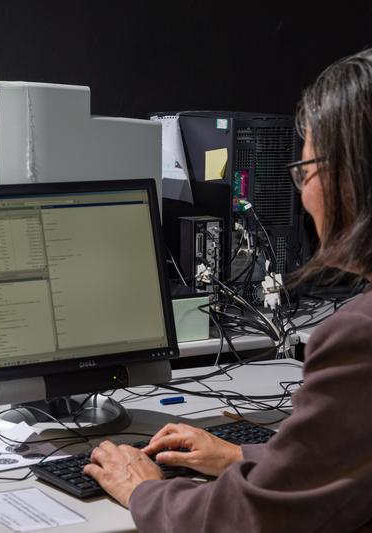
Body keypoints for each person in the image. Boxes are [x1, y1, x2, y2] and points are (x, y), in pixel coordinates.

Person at [84, 49, 372, 531]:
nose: (302, 194)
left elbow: (255, 517)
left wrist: (145, 490)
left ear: (351, 178)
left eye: (306, 171)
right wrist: (243, 454)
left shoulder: (358, 337)